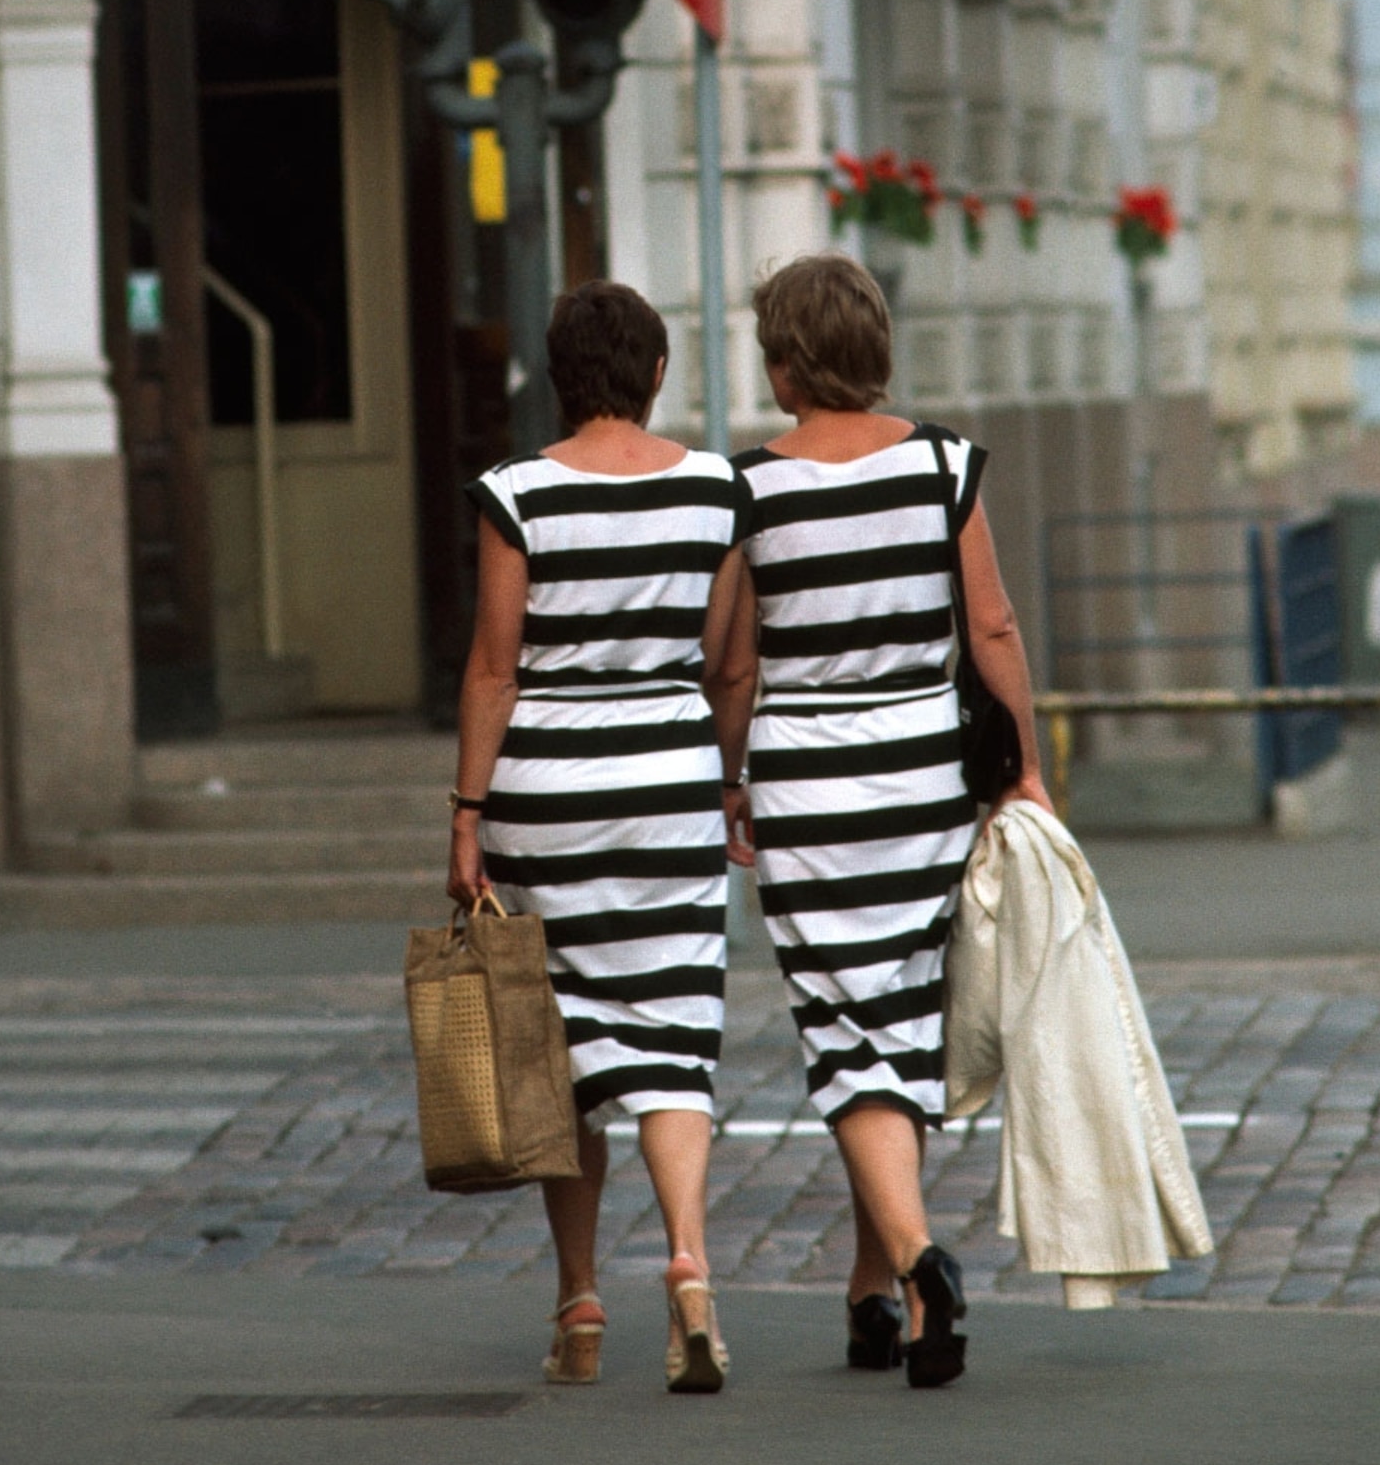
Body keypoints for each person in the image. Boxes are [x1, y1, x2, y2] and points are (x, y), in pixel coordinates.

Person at [725, 253, 1051, 1388]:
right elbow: (994, 628)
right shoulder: (943, 466)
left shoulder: (749, 490)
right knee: (902, 1023)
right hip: (923, 776)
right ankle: (874, 1295)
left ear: (784, 362)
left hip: (806, 781)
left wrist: (730, 782)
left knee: (846, 1030)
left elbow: (737, 663)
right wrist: (1028, 775)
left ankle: (916, 1260)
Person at [450, 281, 755, 1394]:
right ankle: (688, 1261)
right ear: (659, 374)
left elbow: (494, 665)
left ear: (558, 376)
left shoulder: (515, 492)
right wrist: (722, 777)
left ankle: (579, 1300)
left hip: (546, 791)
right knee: (672, 1032)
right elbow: (730, 665)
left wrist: (467, 814)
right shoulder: (721, 492)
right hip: (669, 779)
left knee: (560, 1048)